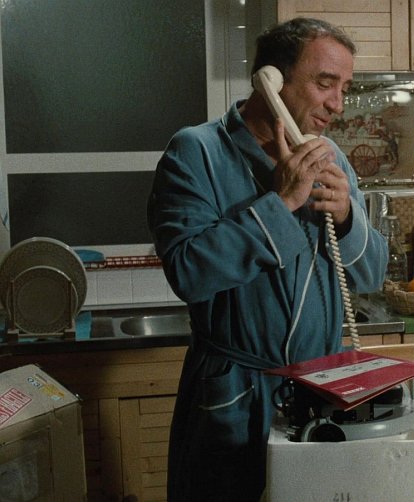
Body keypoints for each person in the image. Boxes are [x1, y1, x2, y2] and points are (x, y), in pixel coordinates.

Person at [147, 18, 387, 501]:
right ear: (270, 81)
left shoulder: (329, 156)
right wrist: (282, 202)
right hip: (234, 396)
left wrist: (345, 217)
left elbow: (371, 274)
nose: (337, 104)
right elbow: (189, 271)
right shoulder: (197, 151)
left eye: (344, 88)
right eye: (325, 83)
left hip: (319, 391)